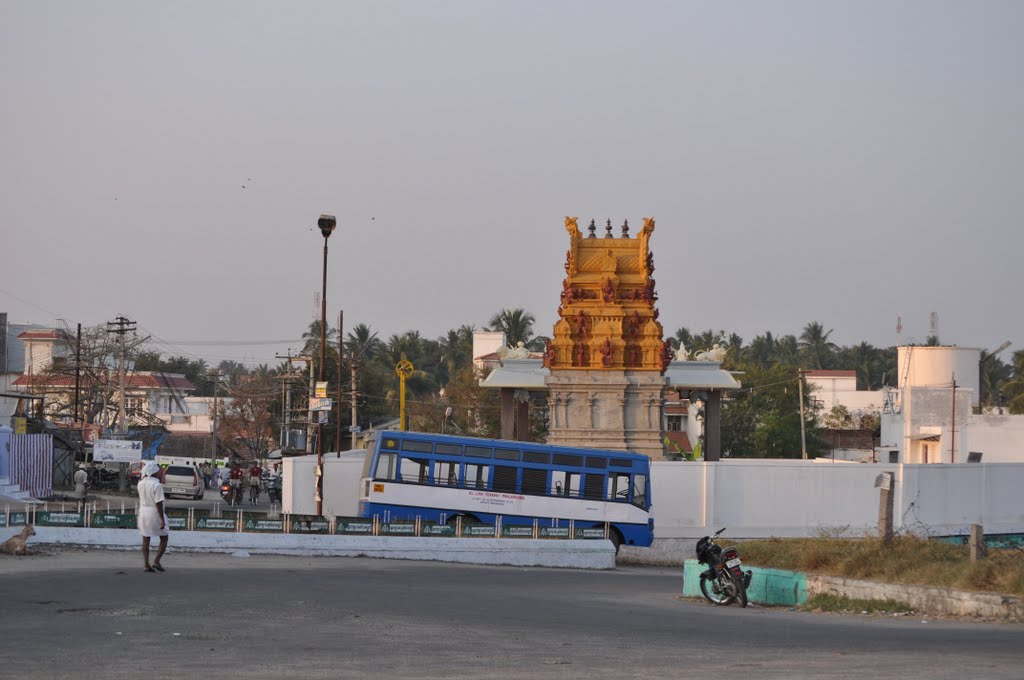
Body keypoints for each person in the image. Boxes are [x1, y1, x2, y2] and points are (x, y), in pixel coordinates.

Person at [137, 461, 169, 573]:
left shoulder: (140, 483)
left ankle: (146, 564)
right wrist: (161, 519)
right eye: (159, 471)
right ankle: (156, 561)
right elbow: (158, 503)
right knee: (164, 537)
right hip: (154, 512)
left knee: (145, 538)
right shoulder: (156, 485)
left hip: (143, 511)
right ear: (154, 472)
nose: (161, 472)